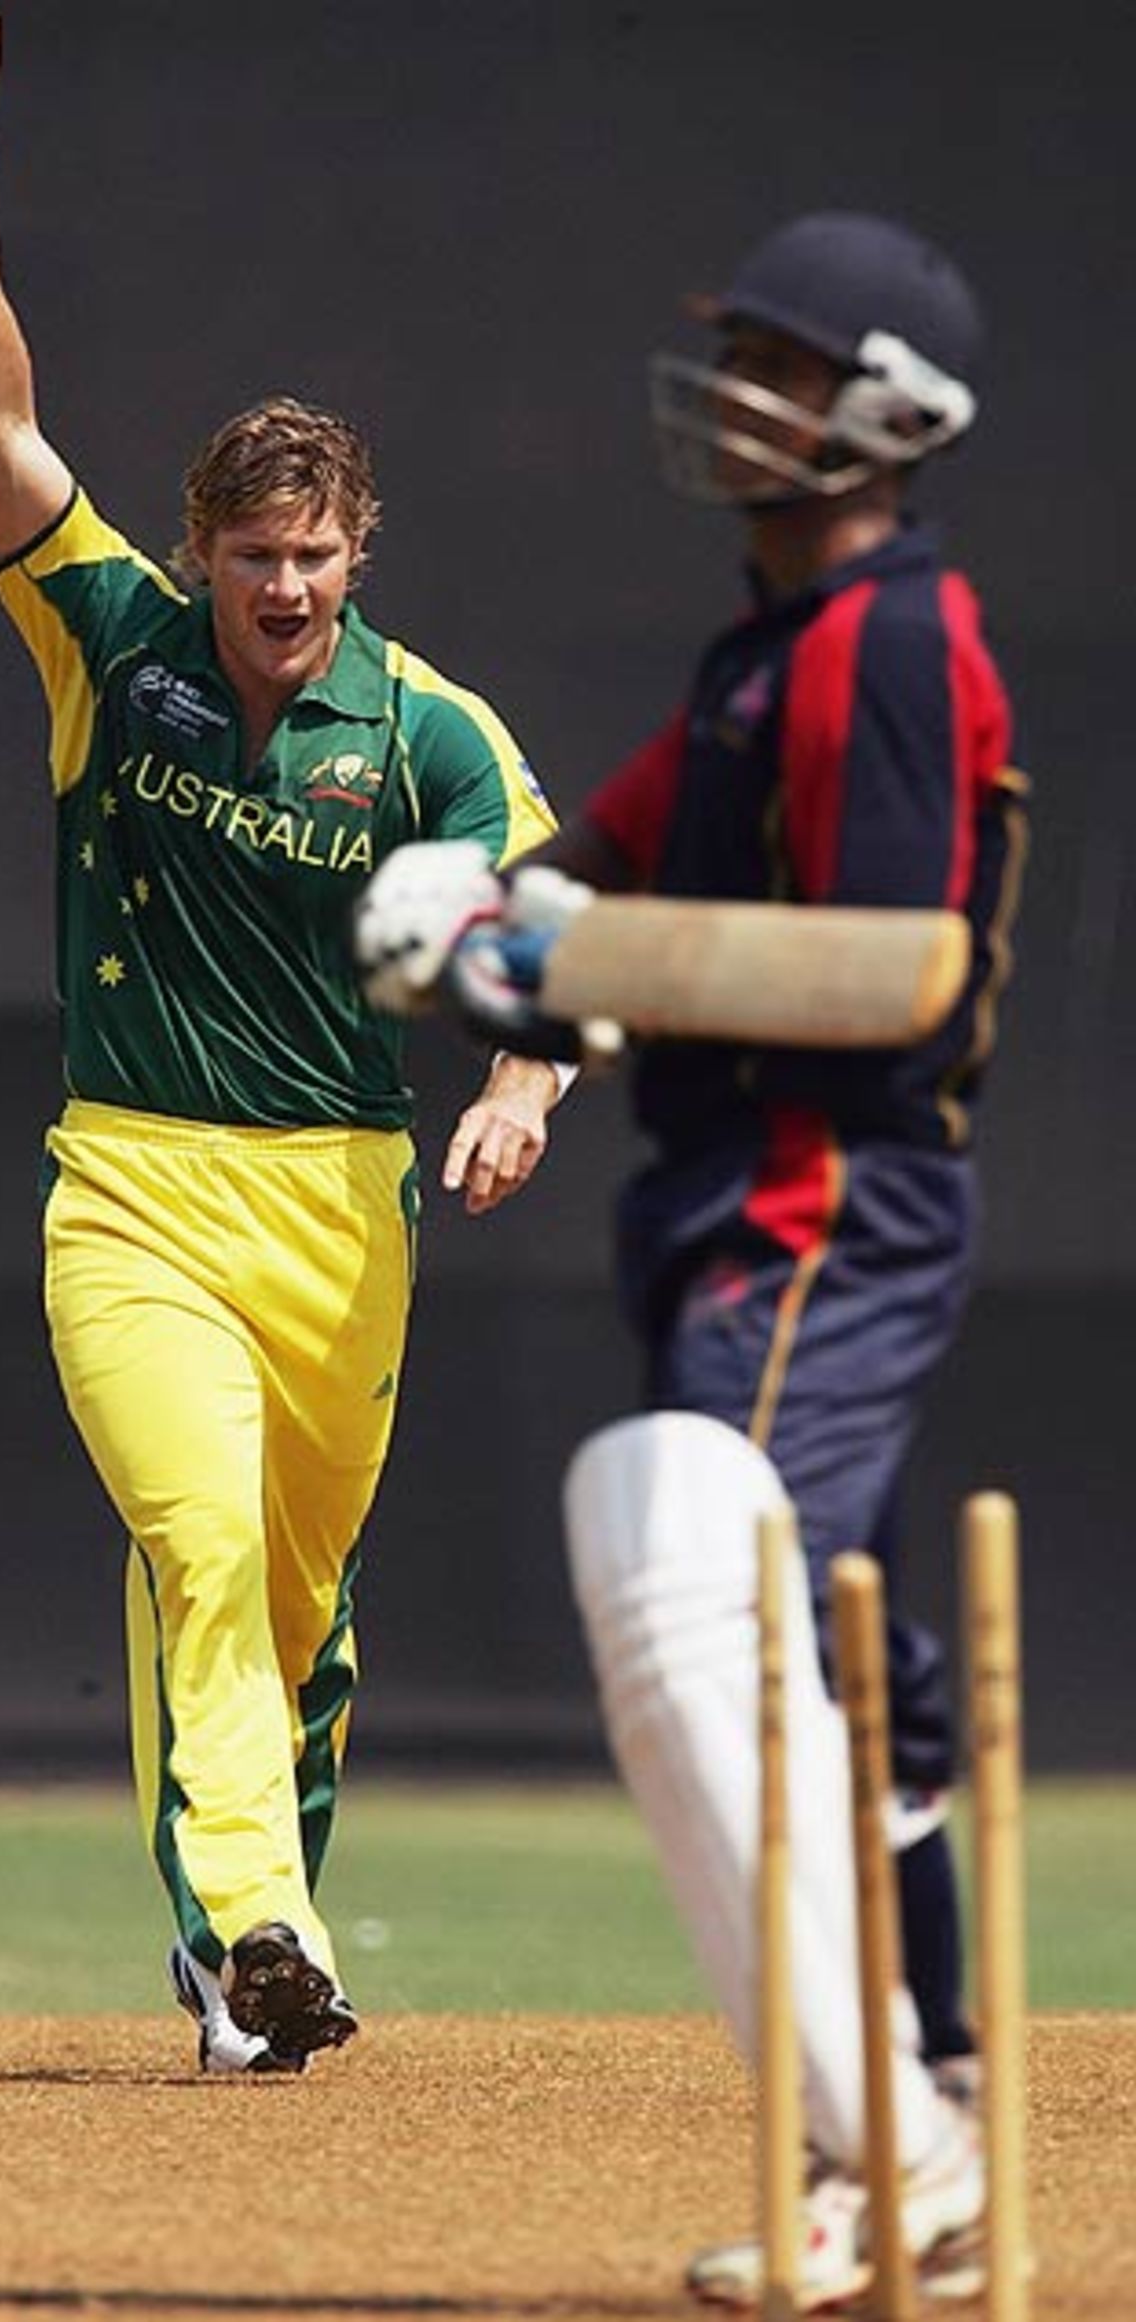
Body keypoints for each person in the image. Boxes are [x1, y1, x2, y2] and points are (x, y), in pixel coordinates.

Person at [356, 210, 1026, 2300]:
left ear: (889, 414)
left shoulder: (889, 640)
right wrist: (484, 918)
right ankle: (913, 2123)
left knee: (676, 1545)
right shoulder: (757, 657)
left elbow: (902, 969)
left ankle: (890, 2137)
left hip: (825, 1194)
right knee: (859, 1685)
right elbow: (597, 871)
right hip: (729, 1199)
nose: (736, 388)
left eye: (782, 362)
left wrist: (554, 951)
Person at [0, 10, 567, 2076]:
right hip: (133, 1189)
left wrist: (523, 1082)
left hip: (340, 1205)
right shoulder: (116, 639)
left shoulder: (430, 727)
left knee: (292, 1607)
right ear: (199, 546)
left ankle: (243, 1977)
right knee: (194, 1543)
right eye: (250, 553)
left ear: (354, 556)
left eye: (312, 557)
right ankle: (264, 1917)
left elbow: (536, 922)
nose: (279, 585)